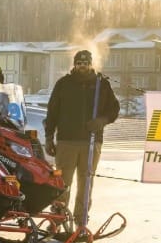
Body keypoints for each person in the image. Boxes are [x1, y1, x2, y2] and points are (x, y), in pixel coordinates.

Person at [43, 50, 119, 227]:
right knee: (62, 182)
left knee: (86, 182)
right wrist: (48, 137)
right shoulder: (64, 84)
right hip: (67, 141)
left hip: (91, 141)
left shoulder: (101, 84)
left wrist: (102, 120)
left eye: (85, 63)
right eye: (79, 63)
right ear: (74, 64)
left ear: (91, 64)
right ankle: (58, 218)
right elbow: (52, 112)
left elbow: (114, 109)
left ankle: (81, 219)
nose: (82, 66)